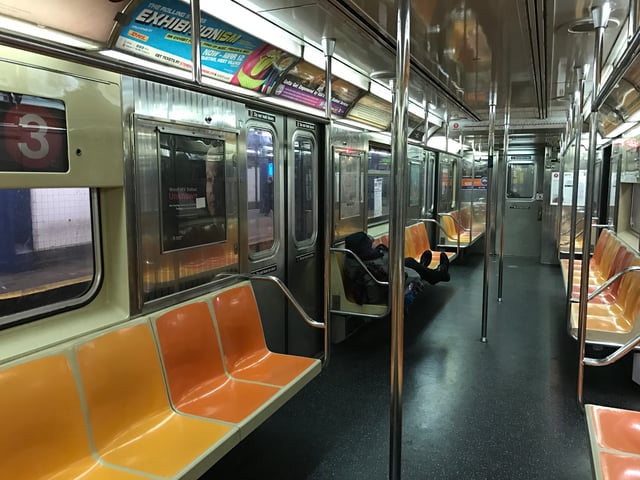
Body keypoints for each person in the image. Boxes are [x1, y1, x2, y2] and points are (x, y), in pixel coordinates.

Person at [343, 231, 450, 306]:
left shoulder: (355, 257)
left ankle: (423, 267)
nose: (371, 247)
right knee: (411, 265)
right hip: (385, 286)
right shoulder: (365, 265)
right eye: (368, 245)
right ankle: (439, 274)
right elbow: (382, 275)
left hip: (387, 273)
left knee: (409, 261)